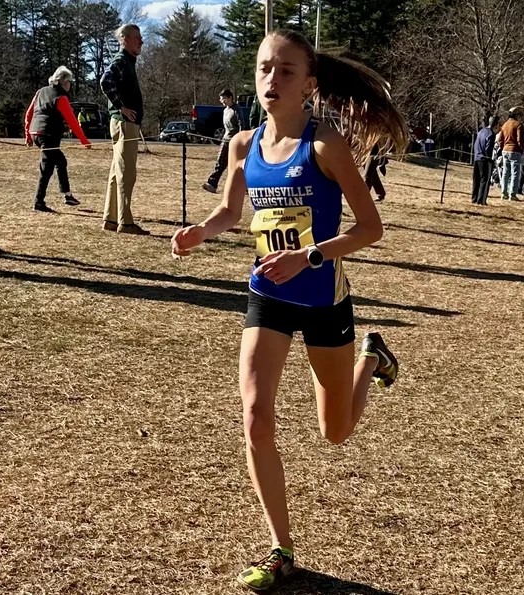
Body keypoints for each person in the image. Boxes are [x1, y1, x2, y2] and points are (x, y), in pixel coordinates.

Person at [171, 29, 408, 592]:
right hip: (268, 294)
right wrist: (201, 232)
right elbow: (231, 209)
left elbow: (370, 229)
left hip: (323, 297)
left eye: (284, 71)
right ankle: (281, 548)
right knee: (254, 416)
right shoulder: (242, 144)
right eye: (262, 69)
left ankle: (371, 359)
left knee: (336, 433)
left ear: (310, 85)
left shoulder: (325, 145)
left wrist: (310, 255)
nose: (270, 80)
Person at [100, 23, 149, 235]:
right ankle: (125, 222)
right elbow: (105, 80)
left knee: (116, 172)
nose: (141, 41)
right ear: (125, 39)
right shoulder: (121, 60)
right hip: (124, 124)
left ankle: (110, 219)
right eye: (137, 38)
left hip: (122, 123)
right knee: (126, 173)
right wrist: (121, 106)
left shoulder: (128, 62)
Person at [23, 66, 91, 213]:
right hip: (48, 135)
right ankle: (38, 202)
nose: (70, 85)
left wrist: (28, 135)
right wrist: (84, 141)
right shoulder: (60, 97)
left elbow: (29, 114)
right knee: (46, 169)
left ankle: (67, 195)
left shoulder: (40, 92)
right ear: (63, 82)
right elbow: (72, 121)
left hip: (36, 132)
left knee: (60, 161)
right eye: (69, 82)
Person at [203, 89, 242, 193]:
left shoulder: (236, 110)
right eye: (221, 99)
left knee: (236, 165)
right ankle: (212, 183)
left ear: (230, 98)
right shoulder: (225, 111)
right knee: (220, 162)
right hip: (225, 139)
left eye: (224, 98)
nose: (222, 101)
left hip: (234, 141)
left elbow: (242, 126)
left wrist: (240, 141)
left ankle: (244, 187)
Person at [497, 106, 524, 201]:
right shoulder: (518, 125)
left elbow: (500, 140)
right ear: (516, 115)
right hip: (515, 151)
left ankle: (503, 193)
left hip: (505, 150)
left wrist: (502, 148)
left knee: (505, 173)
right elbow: (520, 140)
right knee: (515, 173)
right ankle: (512, 195)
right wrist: (522, 149)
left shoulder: (504, 125)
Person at [471, 115, 499, 205]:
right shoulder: (491, 134)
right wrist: (490, 158)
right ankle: (481, 200)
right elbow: (488, 149)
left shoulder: (481, 131)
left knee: (476, 179)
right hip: (484, 159)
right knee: (484, 179)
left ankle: (474, 198)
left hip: (477, 157)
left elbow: (476, 144)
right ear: (495, 124)